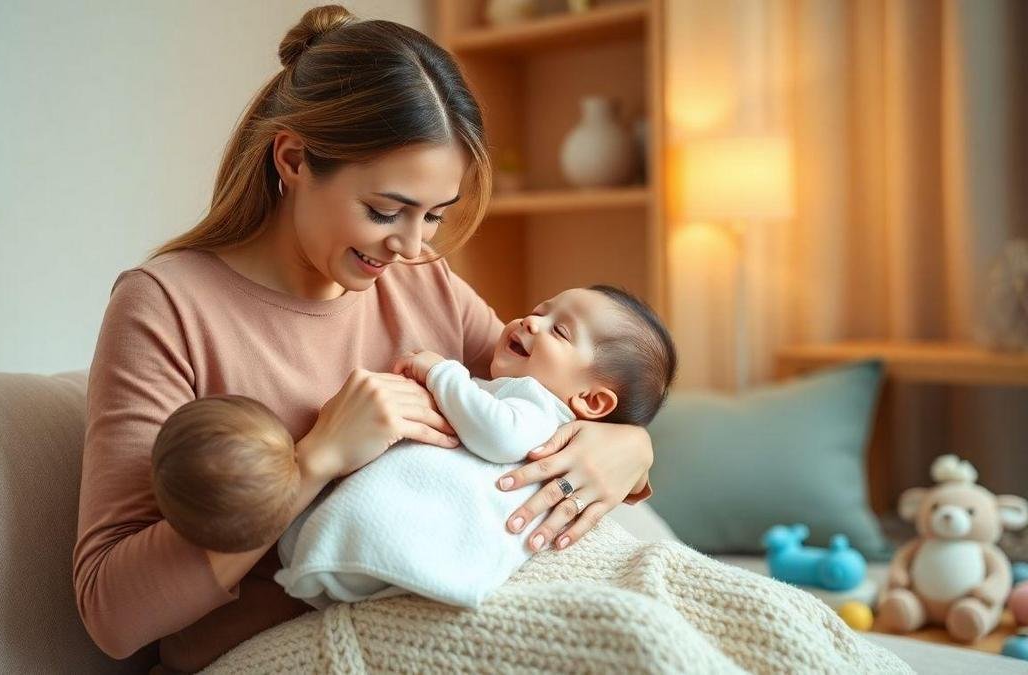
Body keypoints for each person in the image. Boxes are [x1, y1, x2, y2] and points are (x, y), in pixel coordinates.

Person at [72, 5, 655, 672]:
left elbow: (560, 402)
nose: (410, 245)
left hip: (447, 625)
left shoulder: (422, 282)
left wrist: (631, 446)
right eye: (385, 211)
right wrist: (315, 457)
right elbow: (113, 613)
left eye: (434, 215)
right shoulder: (166, 306)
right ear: (292, 159)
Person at [273, 285, 677, 609]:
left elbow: (501, 435)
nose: (531, 323)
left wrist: (441, 371)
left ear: (591, 402)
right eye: (540, 310)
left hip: (390, 545)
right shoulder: (507, 389)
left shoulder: (539, 405)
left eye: (560, 331)